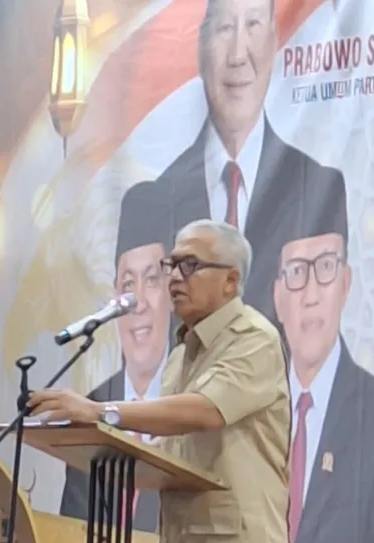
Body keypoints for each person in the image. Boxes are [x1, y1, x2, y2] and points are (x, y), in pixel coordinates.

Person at [28, 220, 291, 543]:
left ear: (231, 280)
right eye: (172, 264)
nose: (174, 277)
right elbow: (172, 453)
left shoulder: (255, 338)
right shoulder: (181, 353)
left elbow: (204, 411)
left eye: (189, 265)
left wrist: (100, 412)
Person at [149, 0, 348, 325]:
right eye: (225, 28)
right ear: (201, 49)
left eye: (253, 25)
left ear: (273, 42)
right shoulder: (157, 196)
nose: (238, 55)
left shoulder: (317, 186)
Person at [273, 231, 374, 543]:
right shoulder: (252, 409)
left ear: (345, 284)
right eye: (296, 272)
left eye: (325, 267)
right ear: (277, 298)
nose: (310, 295)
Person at [58, 181, 173, 532]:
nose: (138, 303)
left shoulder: (190, 403)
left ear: (172, 293)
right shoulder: (92, 405)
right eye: (127, 285)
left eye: (151, 280)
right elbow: (73, 527)